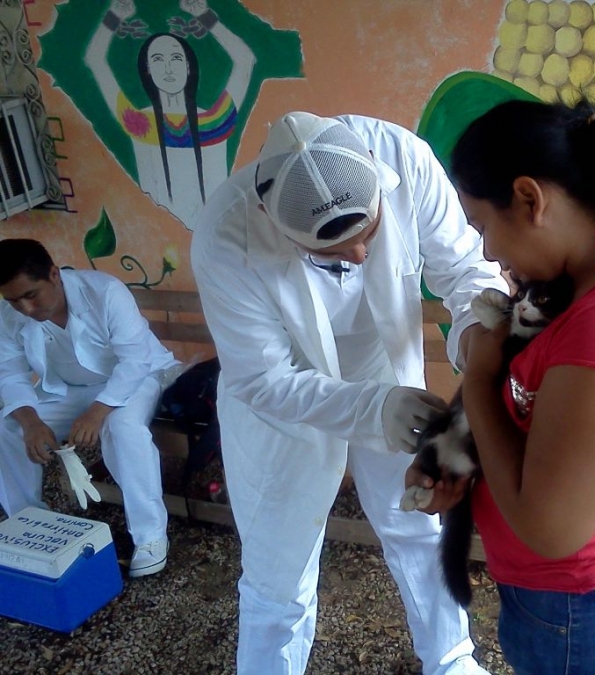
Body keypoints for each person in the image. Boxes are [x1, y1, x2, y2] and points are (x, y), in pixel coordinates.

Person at [190, 110, 507, 674]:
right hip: (282, 395)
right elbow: (262, 376)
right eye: (331, 254)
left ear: (377, 179)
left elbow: (465, 269)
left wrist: (479, 337)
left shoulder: (403, 159)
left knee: (413, 517)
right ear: (270, 219)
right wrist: (369, 408)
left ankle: (451, 657)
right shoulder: (226, 232)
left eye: (369, 235)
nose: (359, 257)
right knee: (277, 561)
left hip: (382, 365)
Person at [407, 99, 595, 674]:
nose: (489, 251)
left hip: (584, 608)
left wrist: (481, 377)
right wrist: (459, 458)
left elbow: (550, 532)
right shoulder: (592, 272)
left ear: (528, 198)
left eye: (482, 226)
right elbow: (539, 405)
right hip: (583, 587)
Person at [0, 239, 178, 577]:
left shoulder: (105, 292)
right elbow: (9, 371)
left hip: (134, 378)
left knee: (122, 428)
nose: (23, 308)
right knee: (5, 428)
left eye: (30, 295)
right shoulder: (9, 314)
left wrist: (98, 412)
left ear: (53, 274)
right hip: (67, 389)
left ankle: (150, 536)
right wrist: (30, 421)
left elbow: (135, 359)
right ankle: (29, 525)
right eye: (12, 300)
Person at [86, 0, 255, 228]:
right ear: (148, 70)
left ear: (188, 66)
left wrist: (204, 15)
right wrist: (113, 17)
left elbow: (245, 60)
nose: (167, 68)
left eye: (176, 58)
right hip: (167, 233)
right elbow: (94, 60)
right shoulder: (140, 123)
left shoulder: (216, 120)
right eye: (158, 59)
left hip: (218, 232)